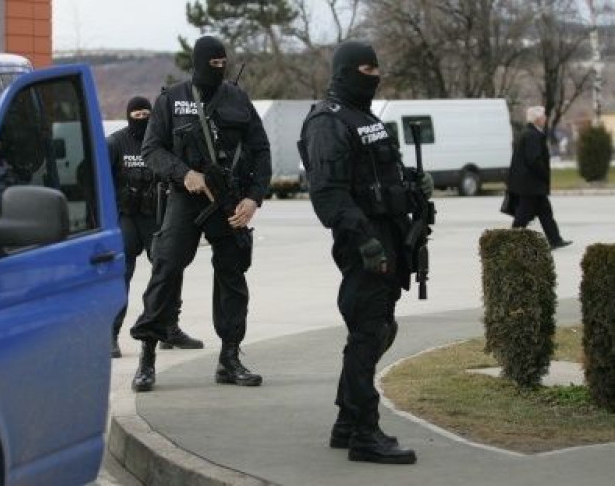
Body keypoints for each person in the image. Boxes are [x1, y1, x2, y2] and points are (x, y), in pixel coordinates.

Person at [298, 41, 433, 465]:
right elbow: (329, 193)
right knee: (367, 332)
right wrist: (364, 240)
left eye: (377, 69)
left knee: (379, 329)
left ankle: (346, 421)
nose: (374, 77)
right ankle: (364, 433)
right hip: (363, 240)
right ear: (344, 72)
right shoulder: (327, 121)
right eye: (365, 70)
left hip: (389, 234)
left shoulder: (365, 118)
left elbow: (379, 172)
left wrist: (413, 183)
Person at [129, 36, 271, 392]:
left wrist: (253, 198)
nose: (218, 68)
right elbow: (151, 150)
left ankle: (230, 358)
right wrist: (184, 174)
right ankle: (147, 357)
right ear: (197, 63)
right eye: (213, 63)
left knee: (232, 275)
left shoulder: (237, 98)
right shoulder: (172, 99)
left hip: (229, 199)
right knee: (166, 269)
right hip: (186, 196)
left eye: (223, 62)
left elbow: (261, 150)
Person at [107, 96, 203, 358]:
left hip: (156, 217)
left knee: (170, 270)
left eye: (146, 114)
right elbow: (96, 178)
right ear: (128, 116)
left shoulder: (162, 143)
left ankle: (169, 329)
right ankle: (110, 335)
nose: (141, 119)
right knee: (120, 276)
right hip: (126, 218)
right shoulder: (115, 143)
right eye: (136, 115)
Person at [507, 105, 571, 250]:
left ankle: (555, 239)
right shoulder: (531, 135)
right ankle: (510, 241)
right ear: (537, 119)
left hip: (531, 183)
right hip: (530, 184)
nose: (545, 119)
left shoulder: (531, 132)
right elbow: (533, 159)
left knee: (545, 212)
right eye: (543, 116)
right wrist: (544, 173)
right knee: (523, 215)